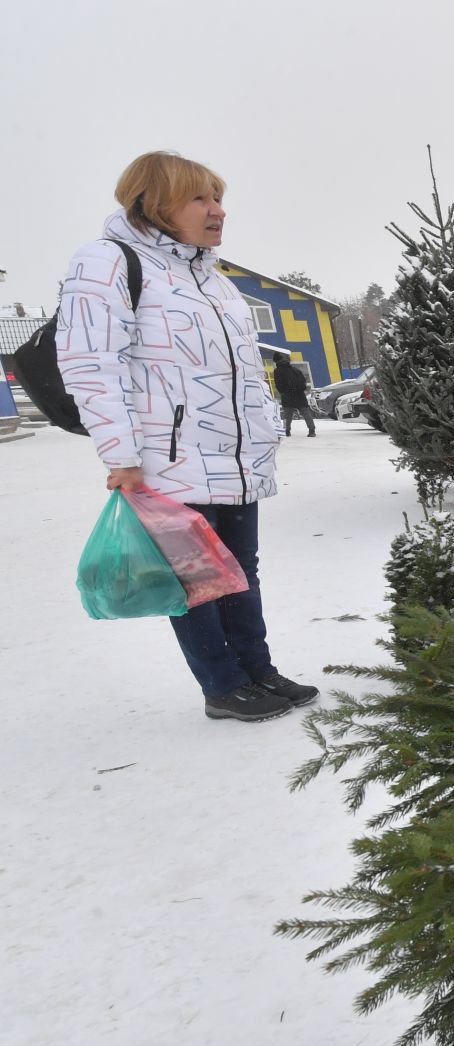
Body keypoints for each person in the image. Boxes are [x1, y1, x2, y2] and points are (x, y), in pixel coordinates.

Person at [57, 151, 318, 722]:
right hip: (166, 459)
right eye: (200, 198)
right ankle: (222, 685)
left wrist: (267, 430)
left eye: (218, 198)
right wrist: (120, 454)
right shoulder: (107, 263)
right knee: (196, 579)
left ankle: (257, 670)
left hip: (236, 458)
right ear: (154, 203)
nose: (217, 210)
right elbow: (89, 362)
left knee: (239, 569)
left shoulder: (213, 279)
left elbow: (247, 369)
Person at [271, 352, 317, 437]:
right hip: (300, 394)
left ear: (276, 361)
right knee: (306, 413)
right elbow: (303, 381)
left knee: (288, 415)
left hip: (287, 395)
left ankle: (287, 430)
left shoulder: (278, 371)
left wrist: (283, 392)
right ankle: (312, 430)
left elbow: (278, 384)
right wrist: (299, 389)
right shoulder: (295, 369)